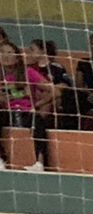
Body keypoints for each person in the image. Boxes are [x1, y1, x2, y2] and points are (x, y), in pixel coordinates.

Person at [0, 40, 50, 172]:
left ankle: (39, 163)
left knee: (38, 121)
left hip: (26, 111)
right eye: (2, 52)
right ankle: (1, 159)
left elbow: (53, 91)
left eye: (9, 52)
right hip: (6, 112)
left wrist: (38, 104)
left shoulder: (28, 72)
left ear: (17, 57)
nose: (5, 55)